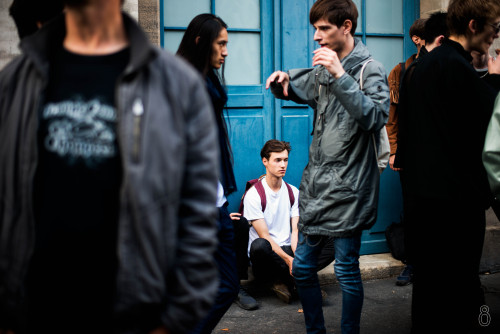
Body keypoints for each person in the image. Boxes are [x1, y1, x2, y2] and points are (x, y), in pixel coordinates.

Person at [0, 1, 219, 333]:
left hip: (136, 318)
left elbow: (197, 214)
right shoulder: (13, 84)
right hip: (32, 315)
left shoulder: (177, 85)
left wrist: (173, 322)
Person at [266, 0, 390, 332]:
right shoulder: (322, 69)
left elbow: (376, 116)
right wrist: (284, 82)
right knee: (304, 269)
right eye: (315, 29)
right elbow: (300, 86)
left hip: (349, 189)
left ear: (346, 26)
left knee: (347, 270)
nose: (316, 37)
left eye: (323, 28)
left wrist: (340, 75)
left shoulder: (370, 69)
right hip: (318, 187)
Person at [399, 0, 500, 332]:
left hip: (424, 200)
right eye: (494, 28)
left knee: (430, 289)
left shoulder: (423, 66)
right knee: (464, 289)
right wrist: (496, 80)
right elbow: (488, 125)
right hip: (455, 203)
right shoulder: (456, 66)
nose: (494, 36)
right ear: (473, 25)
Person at [176, 14, 241, 332]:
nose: (226, 51)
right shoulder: (181, 84)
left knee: (227, 286)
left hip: (216, 205)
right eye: (221, 43)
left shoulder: (208, 83)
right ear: (201, 43)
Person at [234, 140, 335, 305]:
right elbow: (264, 236)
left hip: (287, 247)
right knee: (259, 245)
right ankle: (297, 280)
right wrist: (289, 260)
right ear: (265, 161)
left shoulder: (293, 192)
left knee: (332, 240)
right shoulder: (254, 195)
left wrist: (297, 257)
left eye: (285, 160)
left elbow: (295, 231)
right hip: (266, 255)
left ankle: (290, 279)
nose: (283, 165)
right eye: (277, 160)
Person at [385, 18, 426, 287]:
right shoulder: (400, 71)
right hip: (411, 155)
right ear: (417, 39)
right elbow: (392, 118)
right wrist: (394, 151)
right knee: (412, 209)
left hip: (440, 155)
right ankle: (412, 263)